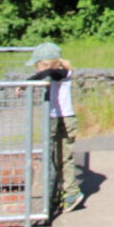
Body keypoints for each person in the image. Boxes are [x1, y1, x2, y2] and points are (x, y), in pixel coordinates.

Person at [26, 42, 82, 214]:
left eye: (38, 65)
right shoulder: (53, 74)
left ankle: (72, 193)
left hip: (63, 119)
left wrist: (26, 83)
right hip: (56, 118)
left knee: (63, 157)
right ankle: (61, 191)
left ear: (47, 64)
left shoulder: (63, 73)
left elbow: (50, 73)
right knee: (54, 156)